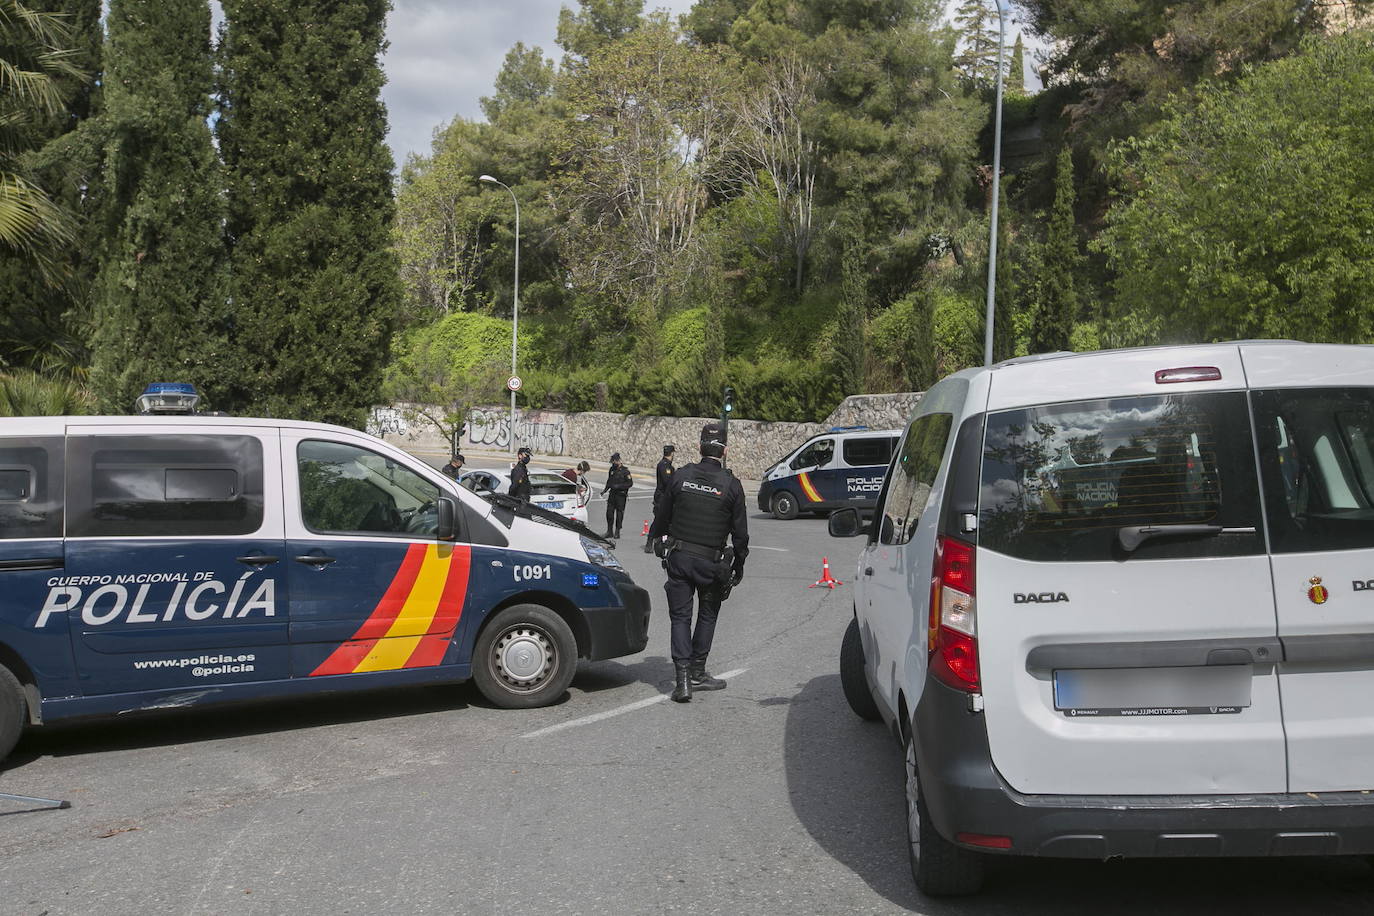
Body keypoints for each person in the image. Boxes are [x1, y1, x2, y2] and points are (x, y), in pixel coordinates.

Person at [649, 423, 748, 703]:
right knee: (707, 615)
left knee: (680, 617)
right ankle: (697, 671)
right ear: (725, 451)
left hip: (679, 558)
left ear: (699, 447)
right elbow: (740, 535)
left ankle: (682, 680)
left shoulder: (681, 476)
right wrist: (739, 566)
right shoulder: (732, 485)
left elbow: (662, 515)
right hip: (711, 563)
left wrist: (656, 539)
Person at [645, 443, 676, 552]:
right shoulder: (664, 465)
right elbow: (667, 481)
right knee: (658, 519)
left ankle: (663, 542)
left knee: (667, 521)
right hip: (662, 497)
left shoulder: (668, 465)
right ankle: (650, 541)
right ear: (672, 453)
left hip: (666, 497)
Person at [601, 452, 632, 538]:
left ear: (618, 461)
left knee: (619, 514)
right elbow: (609, 481)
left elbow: (630, 483)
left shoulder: (625, 471)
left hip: (621, 496)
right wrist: (604, 490)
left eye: (614, 461)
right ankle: (609, 531)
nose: (613, 463)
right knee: (609, 513)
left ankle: (617, 531)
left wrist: (618, 486)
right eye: (612, 462)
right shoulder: (612, 469)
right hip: (612, 495)